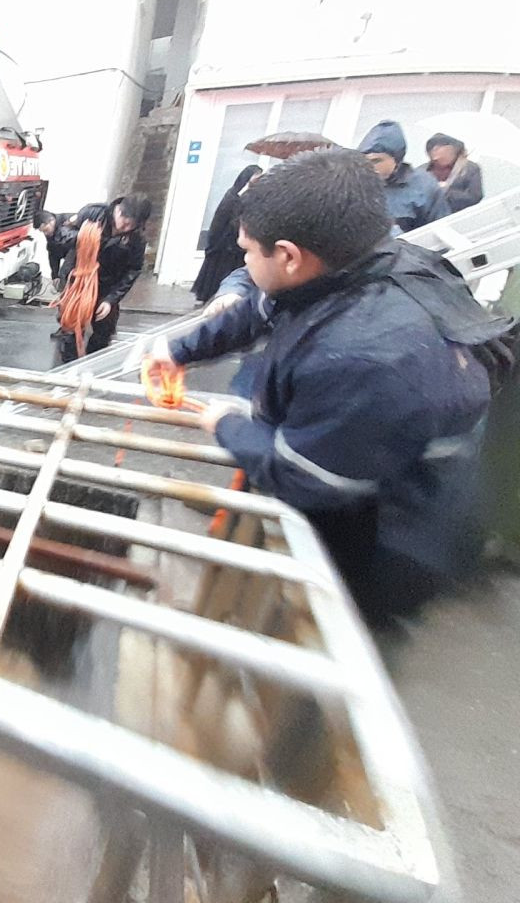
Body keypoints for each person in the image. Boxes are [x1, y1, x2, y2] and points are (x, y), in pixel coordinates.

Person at [145, 147, 511, 624]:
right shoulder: (359, 262)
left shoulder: (365, 356)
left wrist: (226, 423)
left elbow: (305, 476)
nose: (245, 262)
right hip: (352, 458)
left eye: (247, 251)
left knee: (330, 623)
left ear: (289, 256)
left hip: (386, 535)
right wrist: (179, 350)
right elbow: (259, 307)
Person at [55, 194, 152, 360]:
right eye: (124, 220)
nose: (126, 226)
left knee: (104, 330)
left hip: (107, 286)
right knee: (71, 327)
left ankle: (92, 364)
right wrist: (83, 238)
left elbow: (133, 270)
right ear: (118, 210)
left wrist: (111, 300)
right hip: (77, 279)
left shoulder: (136, 238)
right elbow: (61, 233)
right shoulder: (92, 213)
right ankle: (69, 365)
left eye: (132, 224)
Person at [358, 120, 450, 232]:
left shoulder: (424, 187)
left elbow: (442, 230)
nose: (370, 167)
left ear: (396, 159)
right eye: (365, 161)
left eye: (377, 161)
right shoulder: (356, 186)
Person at [191, 165, 262, 304]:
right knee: (218, 272)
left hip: (236, 247)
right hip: (224, 245)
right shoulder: (232, 197)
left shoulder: (251, 197)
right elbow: (219, 222)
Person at [421, 132, 484, 213]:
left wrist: (446, 192)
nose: (435, 150)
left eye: (440, 146)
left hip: (458, 216)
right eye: (432, 147)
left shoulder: (470, 168)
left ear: (453, 149)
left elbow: (475, 197)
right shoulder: (421, 171)